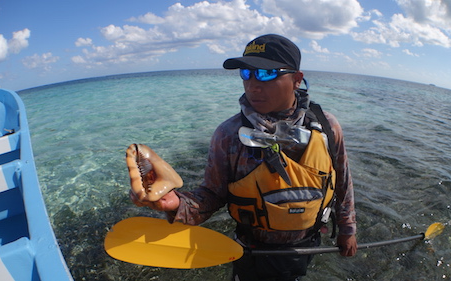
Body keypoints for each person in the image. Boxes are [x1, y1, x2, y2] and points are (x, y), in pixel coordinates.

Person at [130, 34, 357, 281]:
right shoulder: (228, 135)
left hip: (308, 244)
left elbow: (342, 181)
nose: (253, 85)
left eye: (266, 74)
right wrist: (176, 204)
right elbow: (212, 196)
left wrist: (347, 229)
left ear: (296, 80)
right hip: (252, 249)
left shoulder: (327, 126)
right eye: (246, 73)